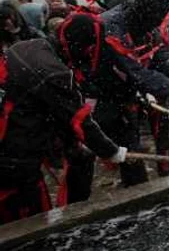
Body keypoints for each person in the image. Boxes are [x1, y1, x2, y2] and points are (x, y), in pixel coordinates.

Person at [0, 15, 127, 224]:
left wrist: (72, 146)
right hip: (14, 159)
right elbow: (79, 119)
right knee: (31, 227)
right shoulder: (53, 73)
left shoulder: (30, 46)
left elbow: (45, 107)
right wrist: (111, 151)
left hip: (15, 143)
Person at [94, 0, 169, 185]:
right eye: (154, 22)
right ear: (144, 16)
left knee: (161, 128)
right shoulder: (110, 25)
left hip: (141, 86)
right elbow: (132, 69)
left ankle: (167, 176)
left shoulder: (149, 27)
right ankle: (135, 192)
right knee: (129, 146)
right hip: (105, 91)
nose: (155, 28)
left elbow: (163, 59)